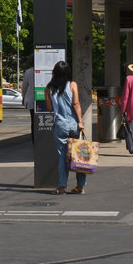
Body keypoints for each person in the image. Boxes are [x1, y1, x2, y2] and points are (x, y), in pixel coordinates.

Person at [45, 60, 87, 195]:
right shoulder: (72, 84)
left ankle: (62, 187)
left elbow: (50, 108)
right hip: (74, 124)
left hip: (60, 125)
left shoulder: (49, 88)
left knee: (62, 156)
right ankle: (80, 186)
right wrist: (80, 121)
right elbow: (76, 104)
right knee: (78, 155)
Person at [20, 64, 38, 142]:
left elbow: (24, 86)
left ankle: (34, 140)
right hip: (42, 100)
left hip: (31, 100)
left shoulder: (28, 72)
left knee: (33, 122)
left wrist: (23, 96)